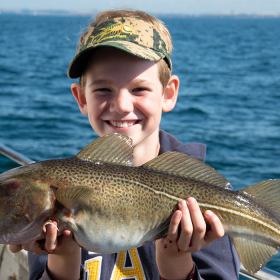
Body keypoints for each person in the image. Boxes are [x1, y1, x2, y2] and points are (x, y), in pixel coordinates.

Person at [9, 9, 240, 280]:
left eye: (139, 89)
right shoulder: (51, 205)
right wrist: (63, 257)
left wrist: (175, 259)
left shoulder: (206, 197)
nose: (121, 105)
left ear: (168, 94)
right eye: (103, 89)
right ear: (81, 98)